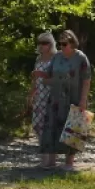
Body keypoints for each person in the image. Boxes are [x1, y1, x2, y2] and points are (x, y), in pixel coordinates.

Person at [38, 30, 91, 170]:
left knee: (73, 128)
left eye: (64, 44)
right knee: (53, 127)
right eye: (60, 44)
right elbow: (49, 76)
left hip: (74, 97)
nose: (61, 46)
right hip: (56, 99)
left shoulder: (80, 58)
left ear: (72, 43)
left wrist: (83, 100)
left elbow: (86, 80)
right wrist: (42, 77)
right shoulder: (57, 57)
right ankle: (51, 161)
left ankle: (69, 162)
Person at [27, 32, 56, 161]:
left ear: (51, 44)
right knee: (37, 125)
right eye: (40, 43)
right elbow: (34, 79)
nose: (42, 45)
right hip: (39, 95)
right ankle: (44, 154)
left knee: (50, 126)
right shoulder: (38, 59)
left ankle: (50, 158)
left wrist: (42, 75)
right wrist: (31, 95)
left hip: (51, 95)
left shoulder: (56, 58)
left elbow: (57, 78)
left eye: (45, 43)